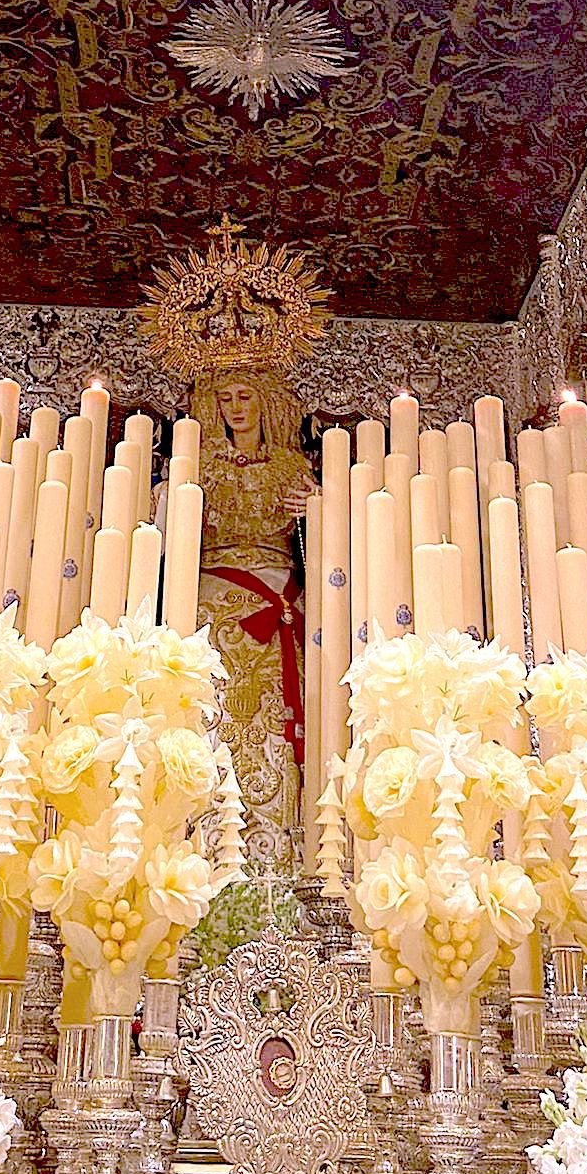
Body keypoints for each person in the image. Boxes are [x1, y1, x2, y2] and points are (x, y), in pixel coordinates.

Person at [190, 368, 315, 869]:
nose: (236, 408)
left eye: (245, 396)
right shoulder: (199, 466)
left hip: (285, 602)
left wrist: (316, 512)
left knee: (280, 719)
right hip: (219, 599)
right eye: (225, 398)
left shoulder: (290, 467)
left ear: (266, 403)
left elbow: (314, 549)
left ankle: (290, 848)